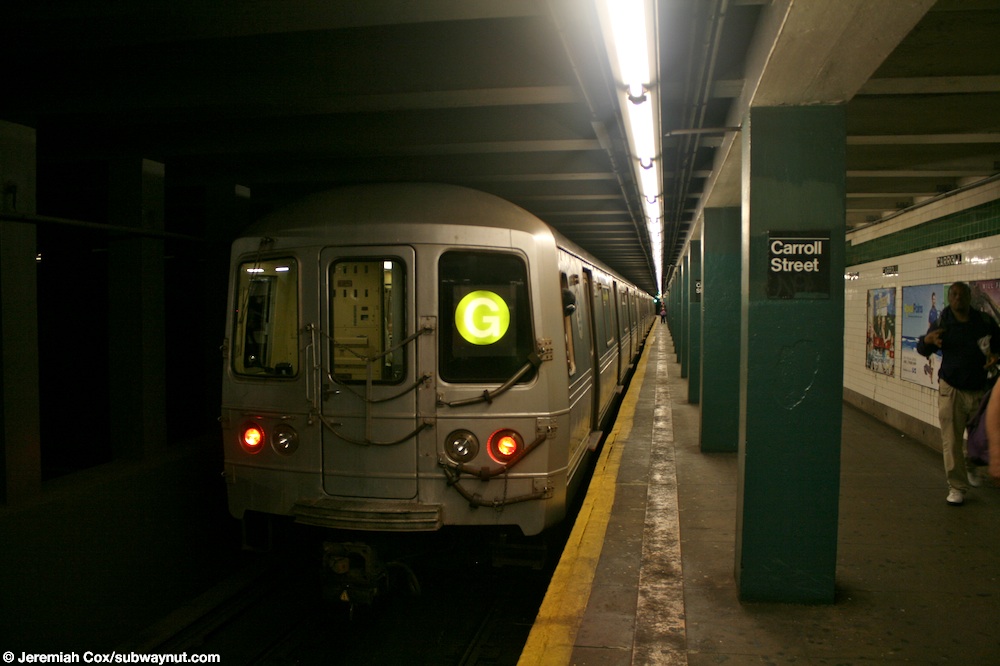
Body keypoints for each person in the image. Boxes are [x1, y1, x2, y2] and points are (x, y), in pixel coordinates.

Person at [917, 281, 1000, 505]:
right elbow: (923, 348)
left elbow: (999, 345)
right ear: (949, 298)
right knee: (951, 440)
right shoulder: (943, 322)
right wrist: (927, 341)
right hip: (951, 388)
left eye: (961, 294)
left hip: (979, 388)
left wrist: (995, 357)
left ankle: (972, 462)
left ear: (968, 297)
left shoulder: (983, 322)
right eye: (953, 294)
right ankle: (956, 486)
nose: (957, 298)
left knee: (982, 435)